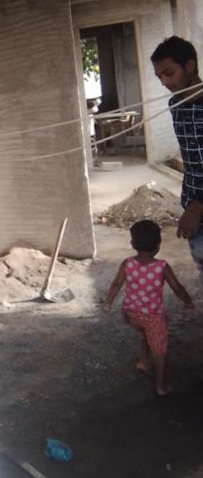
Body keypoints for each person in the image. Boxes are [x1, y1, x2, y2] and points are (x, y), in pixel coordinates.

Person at [102, 220, 194, 395]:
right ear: (159, 244)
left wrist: (108, 302)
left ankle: (143, 362)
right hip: (153, 318)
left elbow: (116, 284)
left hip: (131, 314)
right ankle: (161, 387)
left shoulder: (127, 263)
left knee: (144, 334)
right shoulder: (162, 267)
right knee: (160, 352)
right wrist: (188, 302)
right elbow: (177, 287)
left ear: (132, 244)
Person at [152, 36, 203, 280]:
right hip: (192, 201)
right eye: (159, 76)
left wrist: (197, 207)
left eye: (169, 73)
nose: (164, 82)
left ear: (190, 66)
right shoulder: (176, 104)